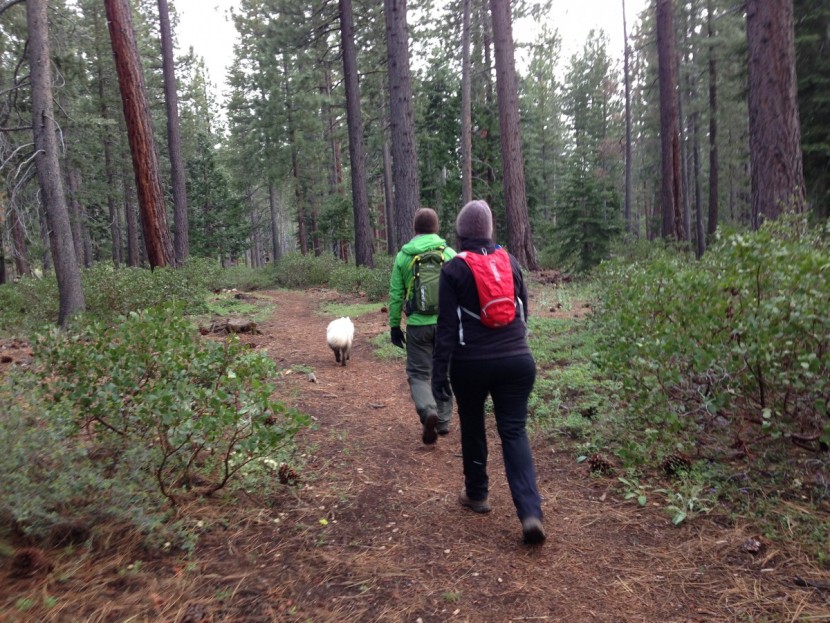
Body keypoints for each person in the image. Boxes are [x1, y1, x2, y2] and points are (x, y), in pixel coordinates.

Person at [431, 199, 545, 545]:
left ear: (460, 234)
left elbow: (447, 329)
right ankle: (530, 513)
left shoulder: (453, 270)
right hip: (518, 361)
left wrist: (439, 376)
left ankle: (477, 492)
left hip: (471, 364)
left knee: (473, 422)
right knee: (514, 432)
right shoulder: (510, 262)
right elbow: (523, 314)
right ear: (490, 231)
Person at [389, 208, 457, 444]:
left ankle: (428, 410)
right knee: (446, 370)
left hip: (418, 325)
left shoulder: (404, 256)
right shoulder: (449, 254)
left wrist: (394, 326)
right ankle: (445, 420)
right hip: (446, 326)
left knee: (418, 374)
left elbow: (396, 294)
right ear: (436, 229)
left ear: (415, 229)